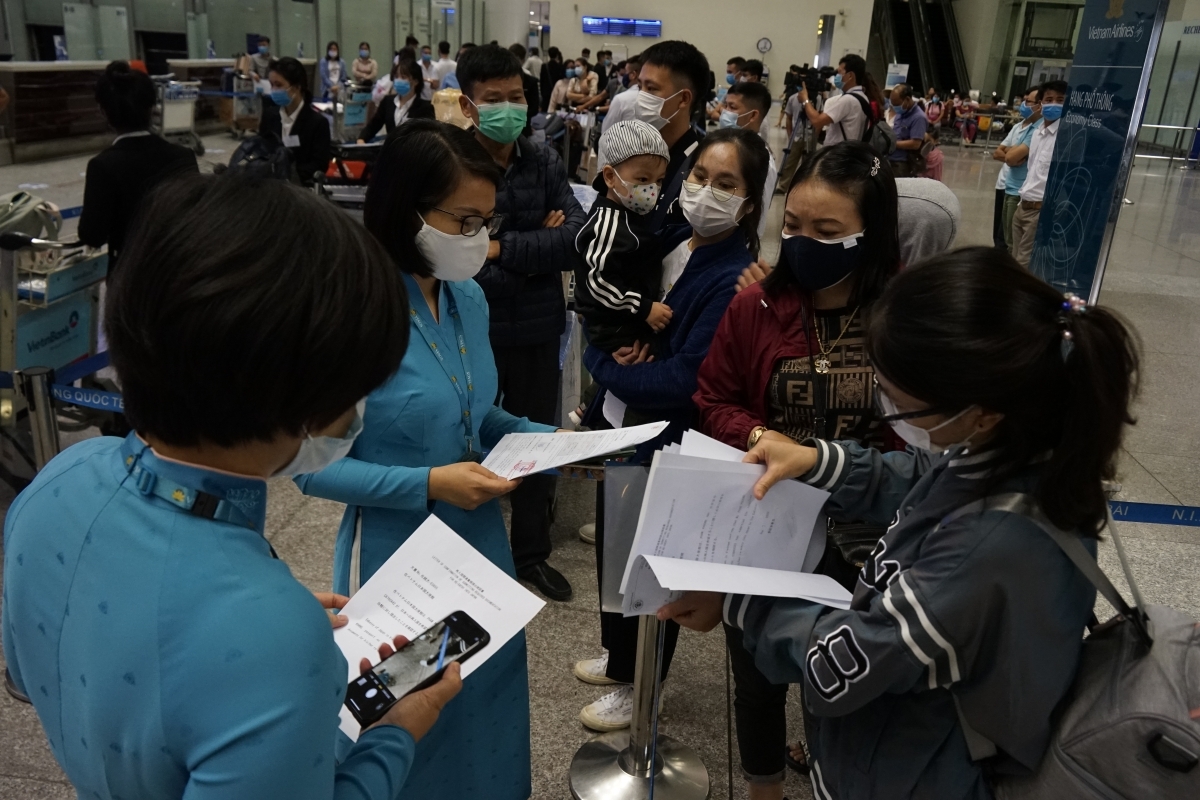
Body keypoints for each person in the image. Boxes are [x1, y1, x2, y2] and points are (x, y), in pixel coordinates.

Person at [4, 170, 465, 800]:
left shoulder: (58, 479)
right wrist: (395, 731)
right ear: (296, 399)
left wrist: (249, 609)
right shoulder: (274, 637)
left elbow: (35, 674)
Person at [661, 245, 1139, 800]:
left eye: (902, 404)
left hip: (922, 773)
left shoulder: (983, 552)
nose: (888, 412)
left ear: (979, 412)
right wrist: (818, 460)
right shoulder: (1022, 449)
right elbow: (924, 474)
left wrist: (738, 603)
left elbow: (843, 665)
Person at [296, 119, 551, 799]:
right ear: (406, 209)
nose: (478, 238)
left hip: (478, 551)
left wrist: (544, 440)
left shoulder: (466, 294)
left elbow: (475, 412)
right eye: (463, 219)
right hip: (397, 555)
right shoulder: (356, 312)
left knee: (488, 696)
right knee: (412, 718)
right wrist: (430, 482)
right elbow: (310, 467)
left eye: (485, 220)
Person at [693, 143, 901, 797]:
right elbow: (712, 398)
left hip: (867, 539)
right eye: (793, 226)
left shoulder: (900, 320)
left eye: (828, 232)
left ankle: (831, 773)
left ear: (872, 234)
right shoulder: (757, 307)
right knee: (755, 666)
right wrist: (760, 434)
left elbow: (920, 436)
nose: (804, 243)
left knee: (848, 673)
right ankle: (763, 785)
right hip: (769, 525)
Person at [575, 127, 771, 732]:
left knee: (651, 569)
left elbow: (687, 380)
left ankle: (643, 687)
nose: (705, 192)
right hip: (625, 426)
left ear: (750, 201)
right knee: (617, 553)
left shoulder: (731, 275)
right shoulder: (675, 236)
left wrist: (599, 360)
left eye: (727, 184)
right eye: (699, 178)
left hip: (665, 438)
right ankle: (618, 660)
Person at [456, 44, 587, 602]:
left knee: (535, 446)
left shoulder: (544, 159)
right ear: (468, 104)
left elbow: (574, 238)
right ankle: (462, 555)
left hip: (536, 330)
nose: (507, 109)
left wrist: (496, 247)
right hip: (468, 331)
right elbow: (454, 258)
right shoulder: (453, 164)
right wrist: (533, 253)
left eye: (515, 98)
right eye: (493, 100)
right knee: (463, 445)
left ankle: (530, 555)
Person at [79, 61, 198, 278]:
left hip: (129, 276)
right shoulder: (183, 156)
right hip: (181, 271)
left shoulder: (103, 166)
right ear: (152, 107)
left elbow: (92, 235)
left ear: (104, 112)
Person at [574, 120, 672, 354]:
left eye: (659, 181)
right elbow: (597, 282)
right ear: (610, 176)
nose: (653, 189)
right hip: (615, 330)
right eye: (642, 180)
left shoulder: (630, 214)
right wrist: (643, 308)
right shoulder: (606, 224)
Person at [629, 40, 712, 232]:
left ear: (683, 99)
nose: (641, 96)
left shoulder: (699, 166)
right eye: (639, 86)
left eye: (651, 88)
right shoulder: (633, 149)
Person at [1012, 79, 1066, 267]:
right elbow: (1032, 169)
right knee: (1016, 258)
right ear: (1041, 104)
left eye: (1060, 100)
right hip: (1023, 205)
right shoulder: (1038, 132)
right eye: (1049, 99)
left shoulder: (1065, 134)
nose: (1054, 104)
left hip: (1040, 210)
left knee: (1025, 263)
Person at [260, 57, 332, 186]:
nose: (274, 90)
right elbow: (261, 150)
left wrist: (285, 173)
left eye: (279, 85)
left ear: (297, 87)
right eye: (272, 85)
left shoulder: (317, 123)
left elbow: (319, 165)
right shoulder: (270, 116)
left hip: (301, 190)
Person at [721, 81, 778, 239]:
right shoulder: (729, 147)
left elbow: (758, 216)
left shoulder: (762, 160)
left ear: (753, 115)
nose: (725, 112)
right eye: (725, 106)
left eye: (732, 107)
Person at [796, 54, 883, 147]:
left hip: (838, 155)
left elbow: (817, 121)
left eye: (839, 72)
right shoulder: (862, 96)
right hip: (850, 151)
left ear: (850, 75)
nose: (836, 76)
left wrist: (805, 100)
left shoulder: (848, 100)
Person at [998, 86, 1044, 253]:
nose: (1023, 105)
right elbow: (1002, 153)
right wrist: (1013, 154)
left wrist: (1012, 153)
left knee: (1015, 245)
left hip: (1020, 190)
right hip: (1011, 187)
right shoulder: (1026, 127)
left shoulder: (1039, 129)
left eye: (1028, 102)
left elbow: (1010, 157)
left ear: (1039, 105)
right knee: (1008, 238)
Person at [357, 58, 434, 142]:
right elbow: (373, 126)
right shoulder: (388, 102)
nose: (398, 80)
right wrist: (361, 139)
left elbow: (427, 139)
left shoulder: (425, 108)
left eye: (404, 77)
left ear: (415, 81)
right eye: (396, 76)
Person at [887, 83, 927, 177]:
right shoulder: (901, 113)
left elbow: (915, 144)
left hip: (902, 163)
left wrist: (892, 144)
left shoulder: (918, 117)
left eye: (897, 104)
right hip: (890, 159)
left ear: (907, 99)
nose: (895, 108)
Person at [600, 55, 642, 133]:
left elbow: (606, 132)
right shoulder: (655, 96)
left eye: (626, 72)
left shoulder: (622, 99)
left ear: (633, 75)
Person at [508, 43, 540, 129]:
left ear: (522, 60)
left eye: (516, 59)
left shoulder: (530, 82)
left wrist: (517, 115)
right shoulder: (500, 81)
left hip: (523, 126)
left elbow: (534, 108)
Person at [540, 46, 565, 111]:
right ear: (557, 54)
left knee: (545, 112)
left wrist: (543, 93)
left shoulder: (544, 66)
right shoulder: (560, 67)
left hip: (546, 93)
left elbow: (542, 81)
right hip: (557, 93)